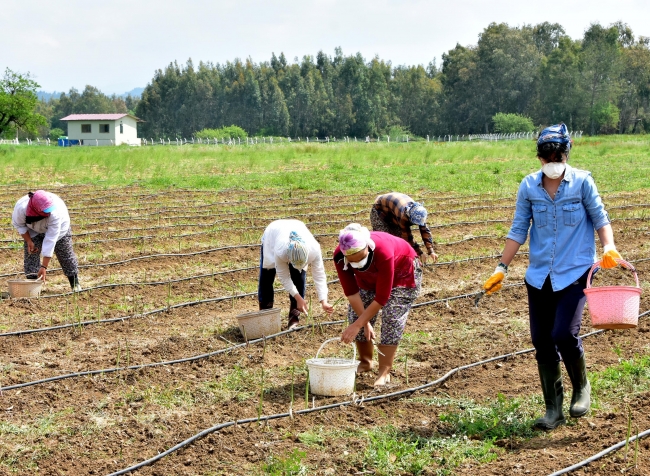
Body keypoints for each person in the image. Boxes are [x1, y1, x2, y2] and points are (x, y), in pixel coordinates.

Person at [482, 124, 623, 430]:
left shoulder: (582, 182)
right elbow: (519, 229)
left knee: (563, 334)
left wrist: (609, 246)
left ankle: (582, 387)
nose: (552, 160)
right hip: (539, 276)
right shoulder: (529, 186)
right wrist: (501, 268)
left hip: (575, 271)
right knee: (541, 340)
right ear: (540, 158)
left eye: (557, 154)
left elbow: (600, 218)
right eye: (546, 155)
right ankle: (553, 410)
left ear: (566, 153)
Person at [334, 223, 422, 387]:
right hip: (369, 277)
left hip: (402, 271)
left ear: (367, 246)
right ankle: (365, 362)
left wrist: (359, 324)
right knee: (356, 316)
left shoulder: (382, 251)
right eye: (353, 261)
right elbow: (352, 292)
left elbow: (382, 297)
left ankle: (384, 371)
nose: (358, 262)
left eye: (361, 257)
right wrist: (364, 323)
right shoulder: (339, 255)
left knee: (392, 317)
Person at [259, 219, 333, 329]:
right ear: (288, 257)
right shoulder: (281, 251)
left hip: (297, 227)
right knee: (267, 275)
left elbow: (319, 275)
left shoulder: (314, 250)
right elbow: (284, 277)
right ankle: (265, 315)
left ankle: (294, 317)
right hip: (273, 233)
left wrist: (324, 301)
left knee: (299, 277)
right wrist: (298, 297)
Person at [11, 190, 81, 291]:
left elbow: (51, 240)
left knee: (64, 252)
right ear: (35, 208)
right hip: (32, 229)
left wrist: (44, 266)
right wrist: (29, 241)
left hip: (59, 228)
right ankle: (32, 286)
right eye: (45, 211)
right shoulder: (21, 208)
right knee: (31, 252)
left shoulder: (55, 213)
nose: (48, 212)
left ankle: (75, 283)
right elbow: (19, 225)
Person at [371, 192, 438, 263]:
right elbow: (407, 238)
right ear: (409, 217)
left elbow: (424, 230)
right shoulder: (403, 216)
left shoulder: (419, 213)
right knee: (385, 240)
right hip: (380, 209)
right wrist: (419, 253)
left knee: (397, 238)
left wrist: (431, 251)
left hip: (392, 209)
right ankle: (382, 260)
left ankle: (398, 260)